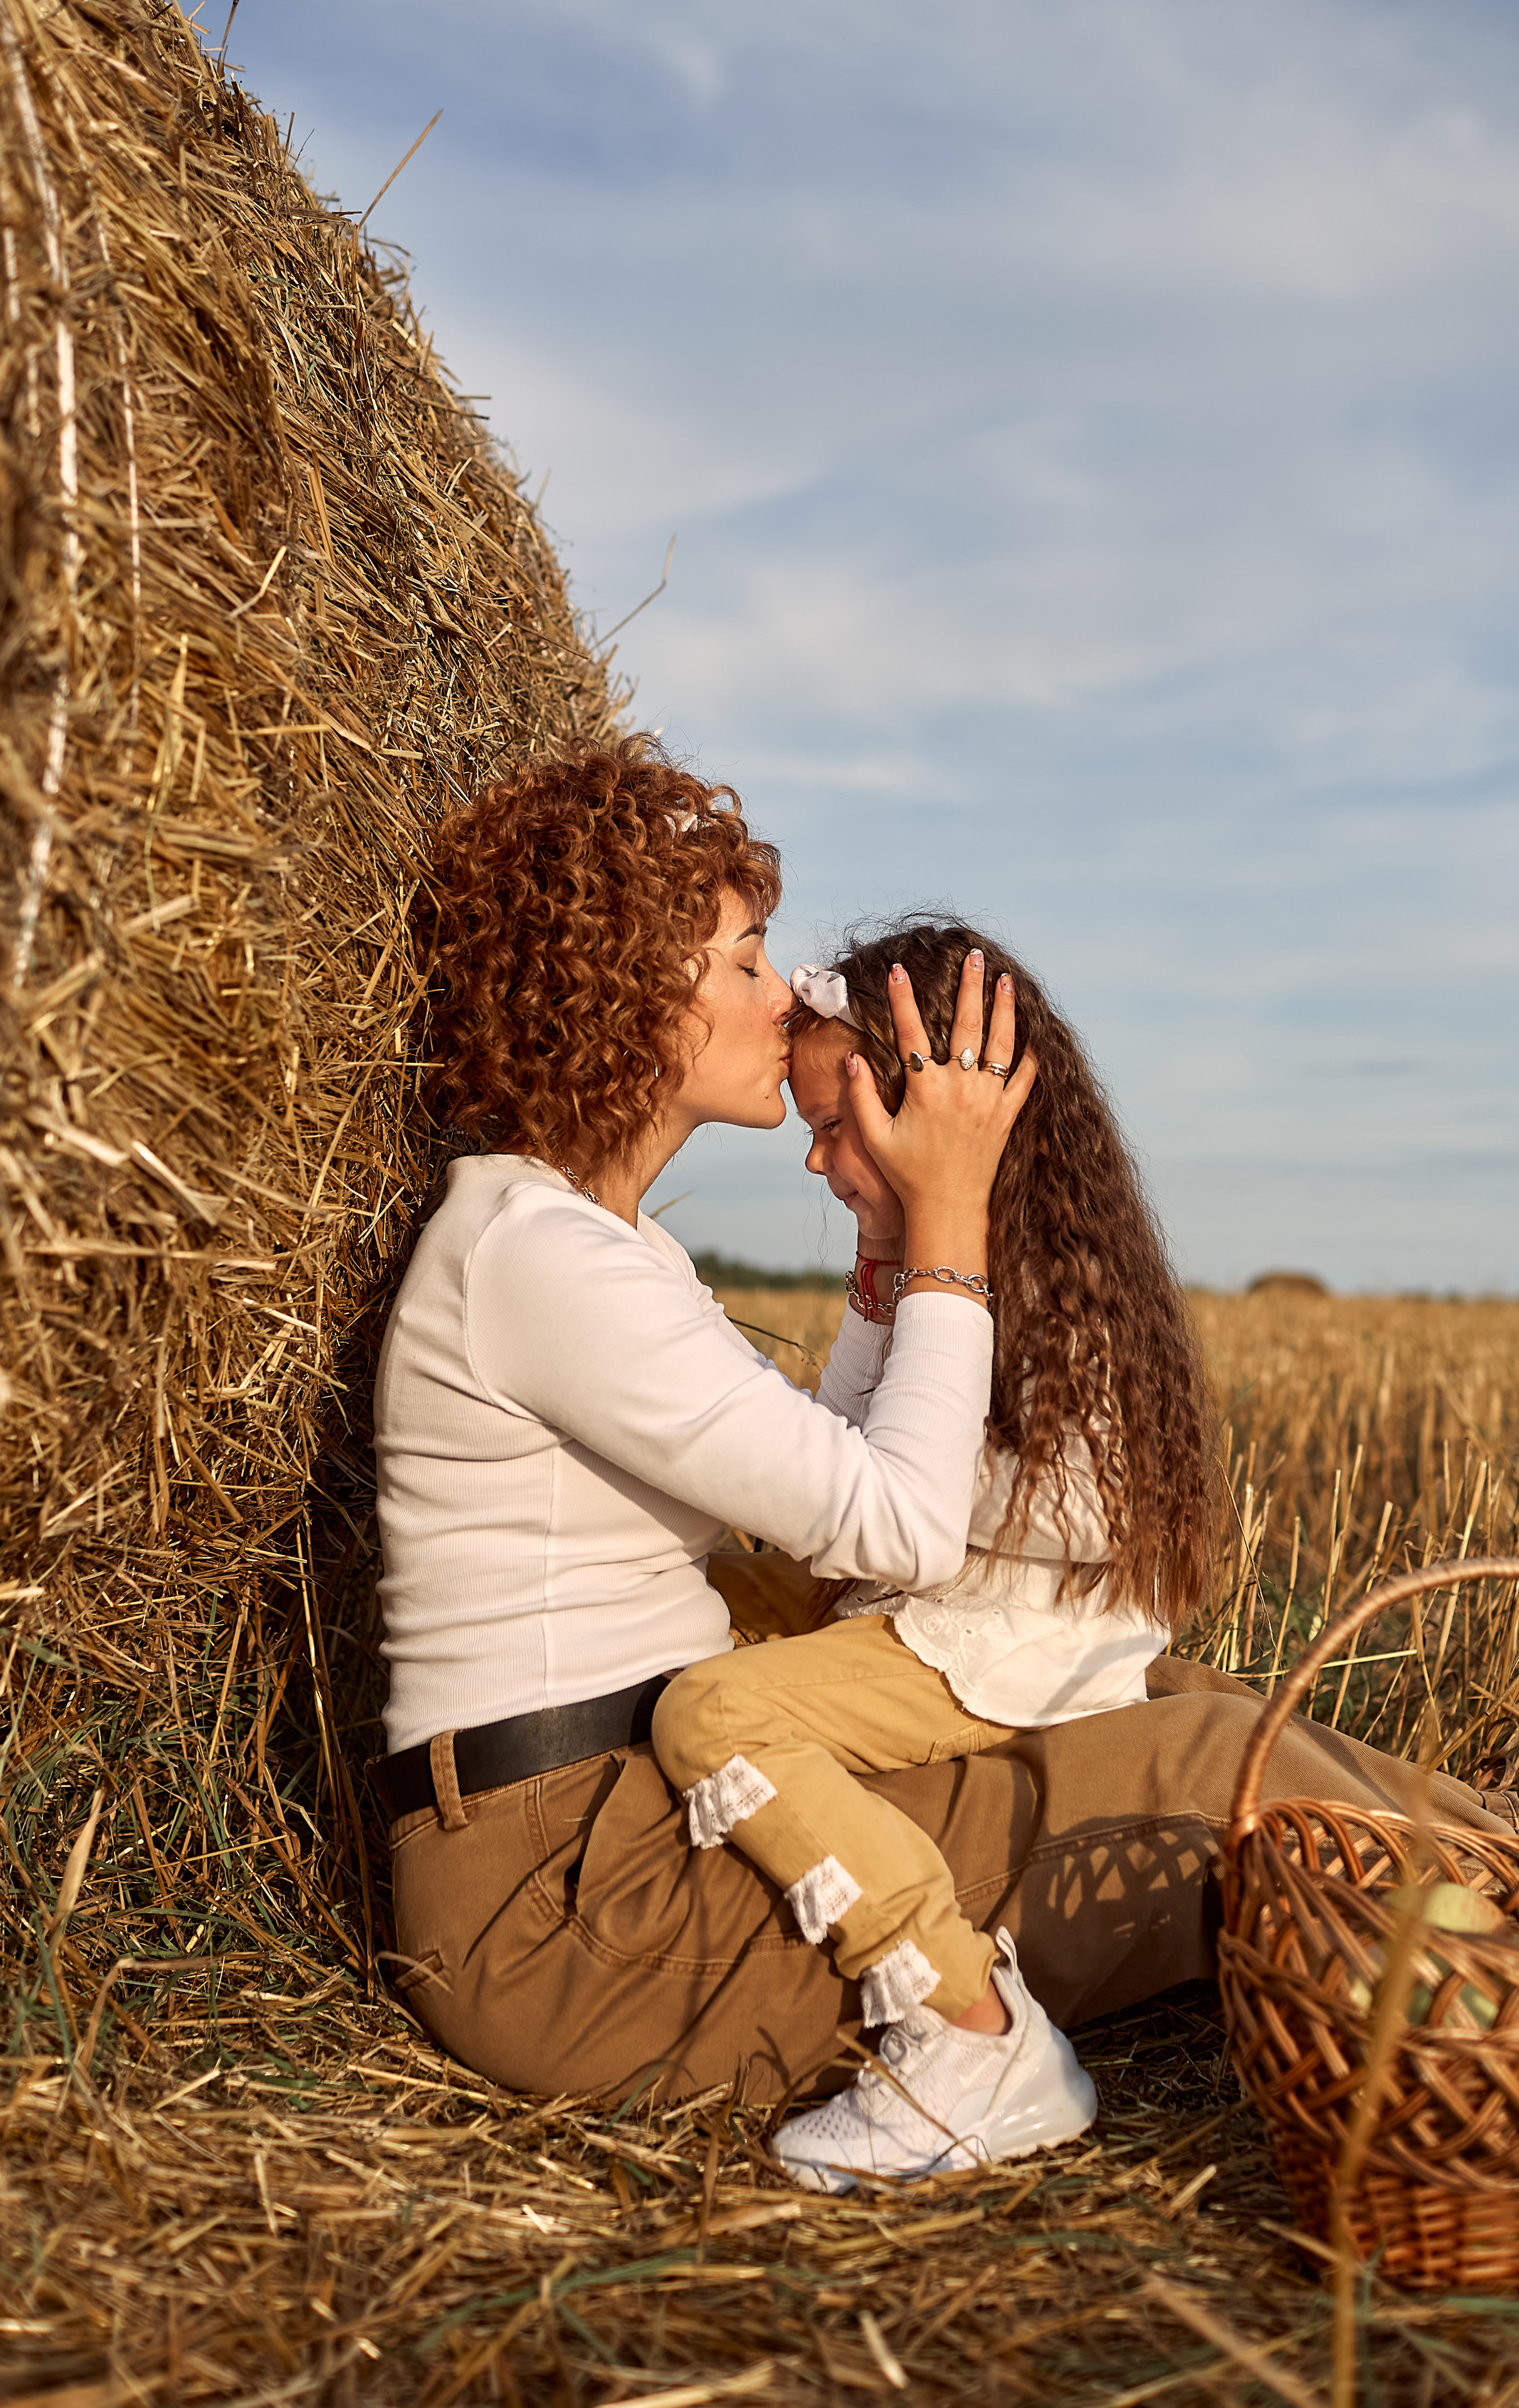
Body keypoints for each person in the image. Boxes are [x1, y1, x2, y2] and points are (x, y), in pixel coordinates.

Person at [373, 737, 1513, 2113]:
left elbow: (841, 1490)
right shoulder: (532, 1254)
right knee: (1201, 1774)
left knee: (1177, 1705)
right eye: (741, 960)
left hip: (633, 1825)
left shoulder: (598, 1254)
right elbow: (900, 1523)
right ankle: (977, 2045)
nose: (778, 990)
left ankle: (1498, 1861)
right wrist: (948, 1211)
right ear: (624, 991)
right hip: (574, 1913)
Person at [651, 921, 1211, 2189]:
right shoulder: (938, 1263)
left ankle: (969, 2025)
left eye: (835, 1128)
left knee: (713, 1713)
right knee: (705, 1588)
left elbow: (1067, 1516)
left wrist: (870, 1503)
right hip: (916, 1591)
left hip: (995, 1640)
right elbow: (853, 1453)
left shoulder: (1058, 1290)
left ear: (931, 1122)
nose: (812, 1156)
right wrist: (883, 1264)